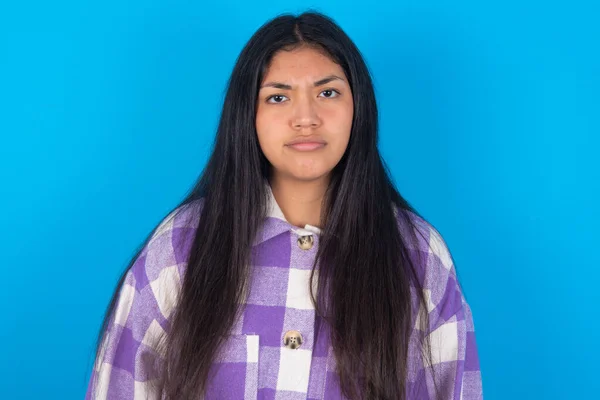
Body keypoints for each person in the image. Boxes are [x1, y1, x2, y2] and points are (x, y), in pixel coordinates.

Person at [86, 10, 483, 400]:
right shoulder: (180, 249)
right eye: (278, 97)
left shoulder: (418, 256)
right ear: (248, 115)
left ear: (358, 108)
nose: (305, 118)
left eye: (327, 92)